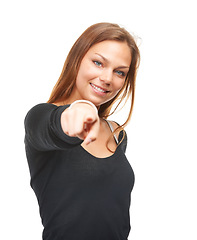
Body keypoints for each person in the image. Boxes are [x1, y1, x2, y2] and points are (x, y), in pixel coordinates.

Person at [24, 22, 140, 240]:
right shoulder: (39, 116)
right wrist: (76, 111)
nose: (107, 78)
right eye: (98, 63)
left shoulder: (117, 134)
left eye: (119, 72)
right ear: (77, 59)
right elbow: (51, 125)